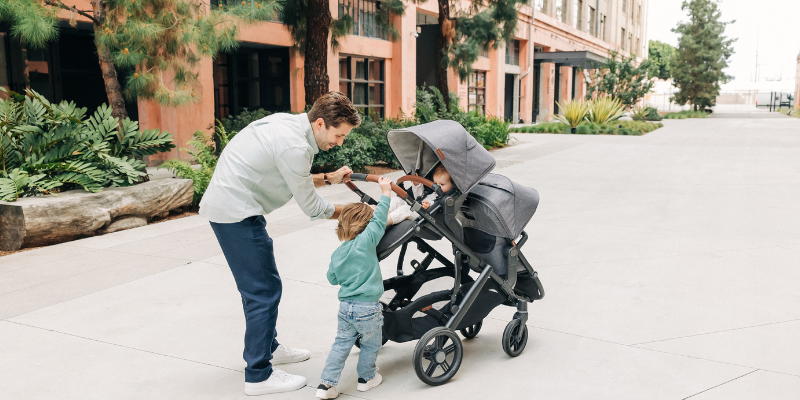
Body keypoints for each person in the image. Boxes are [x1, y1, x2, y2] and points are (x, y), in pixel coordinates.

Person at [199, 92, 361, 396]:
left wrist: (328, 178)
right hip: (236, 213)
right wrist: (358, 212)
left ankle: (269, 346)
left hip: (234, 208)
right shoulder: (296, 146)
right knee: (263, 292)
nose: (340, 143)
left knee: (260, 287)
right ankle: (258, 375)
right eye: (339, 135)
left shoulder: (290, 125)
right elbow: (313, 208)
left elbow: (290, 174)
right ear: (321, 123)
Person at [315, 177, 393, 399]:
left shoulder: (338, 253)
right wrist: (385, 192)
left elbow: (332, 278)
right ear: (365, 225)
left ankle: (326, 386)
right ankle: (366, 378)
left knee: (340, 346)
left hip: (345, 308)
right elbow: (379, 219)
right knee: (370, 345)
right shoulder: (367, 240)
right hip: (367, 308)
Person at [385, 164, 455, 225]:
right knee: (396, 200)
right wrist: (417, 186)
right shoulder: (434, 193)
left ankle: (383, 222)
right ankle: (381, 214)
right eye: (436, 184)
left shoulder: (446, 199)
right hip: (415, 208)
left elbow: (436, 205)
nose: (438, 187)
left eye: (442, 184)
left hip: (422, 216)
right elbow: (418, 197)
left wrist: (429, 206)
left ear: (452, 185)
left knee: (405, 209)